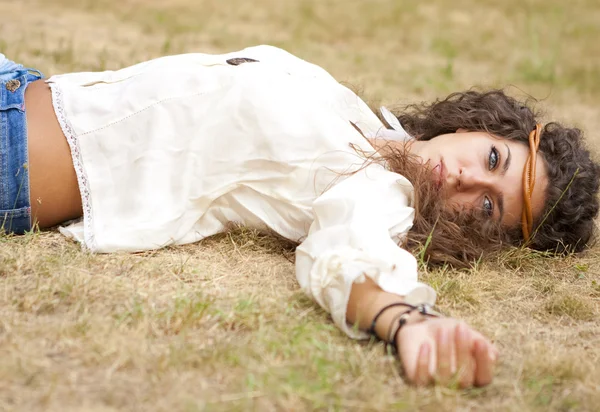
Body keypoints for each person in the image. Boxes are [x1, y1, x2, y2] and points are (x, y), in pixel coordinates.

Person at [1, 45, 598, 387]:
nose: (469, 178)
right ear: (481, 127)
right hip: (22, 83)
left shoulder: (373, 192)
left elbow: (347, 258)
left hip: (14, 149)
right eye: (493, 158)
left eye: (489, 206)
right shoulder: (362, 123)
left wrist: (408, 319)